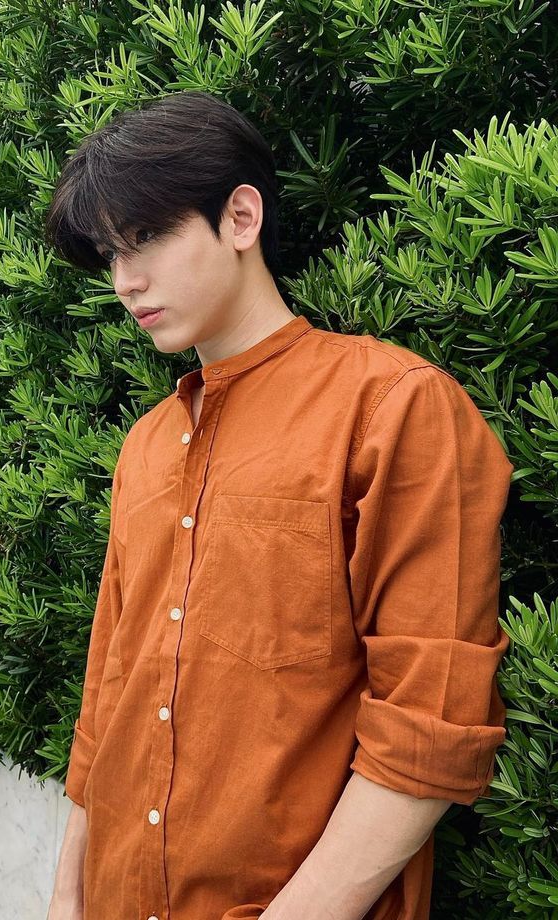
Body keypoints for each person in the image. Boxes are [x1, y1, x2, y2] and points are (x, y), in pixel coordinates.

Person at [42, 90, 514, 920]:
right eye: (109, 254)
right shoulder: (146, 446)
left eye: (147, 237)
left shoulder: (392, 406)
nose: (124, 281)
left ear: (241, 217)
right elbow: (107, 697)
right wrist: (65, 898)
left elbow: (429, 722)